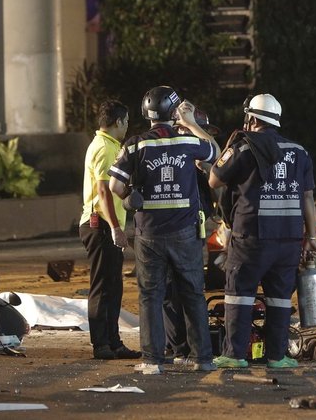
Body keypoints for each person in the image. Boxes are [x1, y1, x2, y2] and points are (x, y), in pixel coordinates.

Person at [108, 86, 220, 373]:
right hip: (185, 232)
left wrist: (128, 196)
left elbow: (115, 185)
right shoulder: (186, 140)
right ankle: (202, 359)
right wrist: (192, 122)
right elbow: (215, 152)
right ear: (173, 112)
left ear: (147, 114)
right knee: (193, 293)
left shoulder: (135, 144)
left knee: (151, 296)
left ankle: (152, 360)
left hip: (149, 235)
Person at [208, 94, 316, 369]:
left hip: (251, 237)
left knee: (239, 294)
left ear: (252, 118)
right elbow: (307, 198)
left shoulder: (243, 148)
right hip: (290, 239)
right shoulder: (299, 151)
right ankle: (277, 356)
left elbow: (214, 180)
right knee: (280, 298)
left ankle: (234, 356)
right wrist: (312, 237)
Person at [78, 99, 138, 360]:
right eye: (126, 122)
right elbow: (103, 190)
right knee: (102, 287)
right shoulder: (103, 148)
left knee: (113, 286)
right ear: (118, 122)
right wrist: (115, 227)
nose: (127, 126)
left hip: (107, 225)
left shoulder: (111, 145)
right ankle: (101, 344)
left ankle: (113, 342)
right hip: (100, 225)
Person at [163, 107, 218, 364]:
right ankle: (178, 348)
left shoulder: (196, 164)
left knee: (189, 292)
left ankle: (187, 347)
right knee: (171, 293)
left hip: (192, 234)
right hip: (174, 233)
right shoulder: (173, 156)